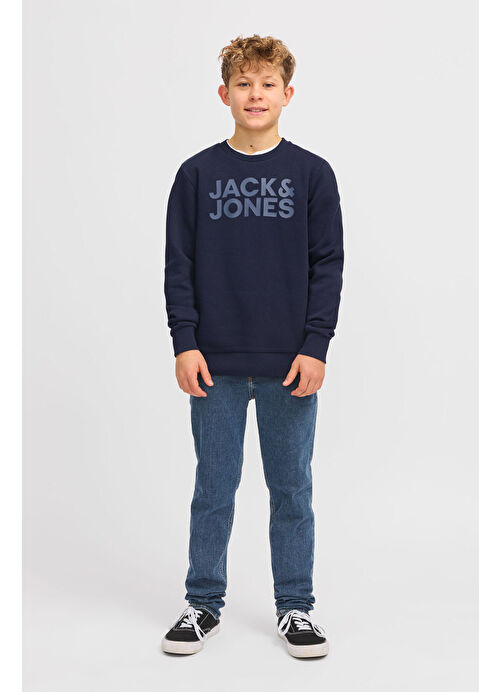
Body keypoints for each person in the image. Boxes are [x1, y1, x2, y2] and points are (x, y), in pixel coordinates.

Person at [161, 33, 344, 659]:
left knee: (292, 490)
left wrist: (316, 345)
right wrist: (185, 342)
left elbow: (328, 265)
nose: (256, 94)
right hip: (212, 363)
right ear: (224, 94)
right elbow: (178, 266)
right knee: (213, 489)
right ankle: (202, 603)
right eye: (244, 84)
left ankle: (296, 607)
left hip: (290, 363)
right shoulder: (196, 175)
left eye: (268, 84)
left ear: (288, 94)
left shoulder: (313, 174)